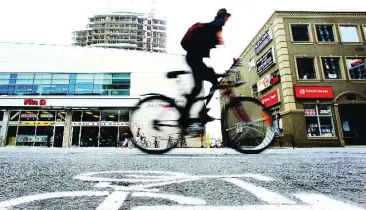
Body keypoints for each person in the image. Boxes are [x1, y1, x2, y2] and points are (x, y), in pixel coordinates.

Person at [181, 8, 231, 123]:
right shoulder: (218, 23)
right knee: (210, 82)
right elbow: (218, 41)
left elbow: (211, 50)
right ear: (223, 16)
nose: (227, 19)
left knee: (198, 87)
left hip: (194, 57)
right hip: (194, 57)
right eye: (227, 16)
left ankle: (187, 114)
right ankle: (198, 113)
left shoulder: (213, 26)